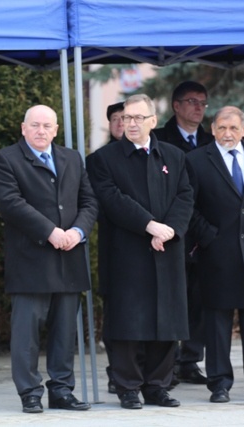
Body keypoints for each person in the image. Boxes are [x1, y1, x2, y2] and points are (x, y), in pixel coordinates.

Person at [87, 93, 194, 410]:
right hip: (126, 252)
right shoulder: (103, 159)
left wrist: (171, 229)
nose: (130, 123)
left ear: (153, 121)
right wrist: (150, 226)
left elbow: (185, 196)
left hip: (166, 250)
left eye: (137, 118)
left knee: (166, 320)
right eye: (126, 118)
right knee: (128, 321)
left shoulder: (173, 156)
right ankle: (128, 387)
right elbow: (111, 199)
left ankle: (157, 386)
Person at [0, 105, 98, 414]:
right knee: (26, 333)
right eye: (35, 125)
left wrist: (77, 231)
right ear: (23, 128)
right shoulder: (6, 159)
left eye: (47, 125)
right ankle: (30, 392)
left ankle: (62, 390)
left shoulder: (72, 158)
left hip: (69, 256)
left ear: (56, 129)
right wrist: (50, 231)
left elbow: (89, 200)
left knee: (65, 331)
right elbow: (10, 204)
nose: (41, 131)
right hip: (31, 259)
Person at [185, 106, 244, 404]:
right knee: (217, 323)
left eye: (234, 128)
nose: (228, 134)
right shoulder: (196, 160)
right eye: (222, 128)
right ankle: (219, 383)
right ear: (212, 129)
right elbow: (188, 205)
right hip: (217, 254)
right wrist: (208, 236)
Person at [153, 81, 213, 385]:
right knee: (171, 298)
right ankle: (169, 363)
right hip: (170, 232)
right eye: (192, 101)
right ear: (176, 106)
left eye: (203, 102)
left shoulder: (211, 140)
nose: (199, 107)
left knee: (199, 300)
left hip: (204, 235)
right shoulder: (160, 140)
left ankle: (190, 360)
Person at [96, 101, 125, 395]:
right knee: (116, 313)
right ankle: (117, 371)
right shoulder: (101, 159)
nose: (122, 124)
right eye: (117, 119)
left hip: (152, 245)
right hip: (115, 247)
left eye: (127, 118)